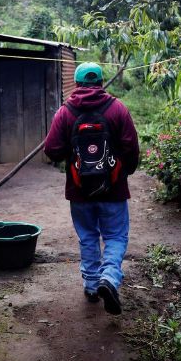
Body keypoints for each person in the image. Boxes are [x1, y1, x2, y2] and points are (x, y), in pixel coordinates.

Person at [44, 62, 140, 315]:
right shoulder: (117, 108)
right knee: (115, 236)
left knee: (88, 236)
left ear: (76, 84)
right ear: (100, 82)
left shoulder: (65, 112)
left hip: (79, 189)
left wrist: (72, 154)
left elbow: (51, 150)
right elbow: (131, 147)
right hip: (114, 189)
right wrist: (124, 173)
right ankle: (109, 278)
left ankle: (91, 285)